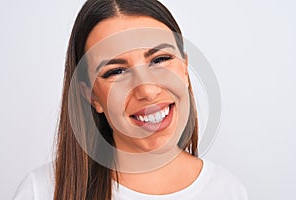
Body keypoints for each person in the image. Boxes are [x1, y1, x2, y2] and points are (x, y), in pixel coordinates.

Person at [13, 0, 248, 199]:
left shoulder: (227, 190)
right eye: (116, 71)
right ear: (92, 95)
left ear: (185, 69)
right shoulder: (41, 191)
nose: (146, 90)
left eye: (160, 59)